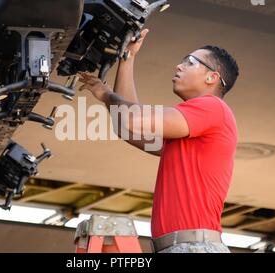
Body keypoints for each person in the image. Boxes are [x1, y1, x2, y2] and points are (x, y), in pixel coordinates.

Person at [78, 29, 239, 253]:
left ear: (212, 77)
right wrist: (128, 58)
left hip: (194, 247)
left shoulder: (213, 108)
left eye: (190, 62)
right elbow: (128, 128)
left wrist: (105, 94)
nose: (179, 66)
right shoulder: (186, 132)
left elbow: (132, 119)